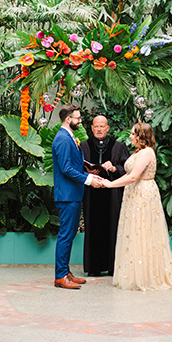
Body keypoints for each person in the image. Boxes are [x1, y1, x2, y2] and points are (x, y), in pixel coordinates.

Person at [102, 122, 172, 291]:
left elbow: (133, 177)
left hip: (142, 193)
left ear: (141, 136)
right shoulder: (139, 152)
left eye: (132, 133)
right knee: (134, 232)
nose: (129, 136)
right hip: (134, 194)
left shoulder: (146, 153)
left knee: (143, 231)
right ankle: (136, 274)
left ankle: (146, 276)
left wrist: (110, 185)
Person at [52, 104, 102, 289]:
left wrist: (90, 171)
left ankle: (65, 271)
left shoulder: (69, 137)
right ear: (68, 119)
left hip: (72, 193)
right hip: (67, 195)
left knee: (70, 234)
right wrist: (88, 180)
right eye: (77, 118)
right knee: (66, 235)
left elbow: (75, 163)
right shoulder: (63, 139)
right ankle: (60, 276)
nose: (80, 121)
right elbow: (66, 168)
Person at [81, 115, 130, 276]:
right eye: (96, 126)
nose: (99, 129)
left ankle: (112, 267)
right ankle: (93, 267)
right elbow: (77, 168)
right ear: (92, 128)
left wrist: (115, 168)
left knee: (113, 228)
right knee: (92, 228)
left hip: (112, 196)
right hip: (91, 195)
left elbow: (128, 168)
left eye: (102, 126)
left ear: (108, 128)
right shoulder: (84, 146)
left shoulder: (118, 147)